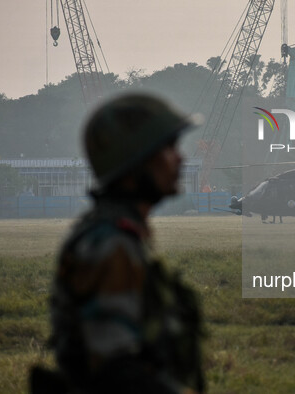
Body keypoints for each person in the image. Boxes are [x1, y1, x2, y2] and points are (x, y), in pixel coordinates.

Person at [31, 93, 204, 394]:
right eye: (168, 147)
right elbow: (115, 371)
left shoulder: (121, 234)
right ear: (136, 164)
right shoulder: (110, 243)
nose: (180, 158)